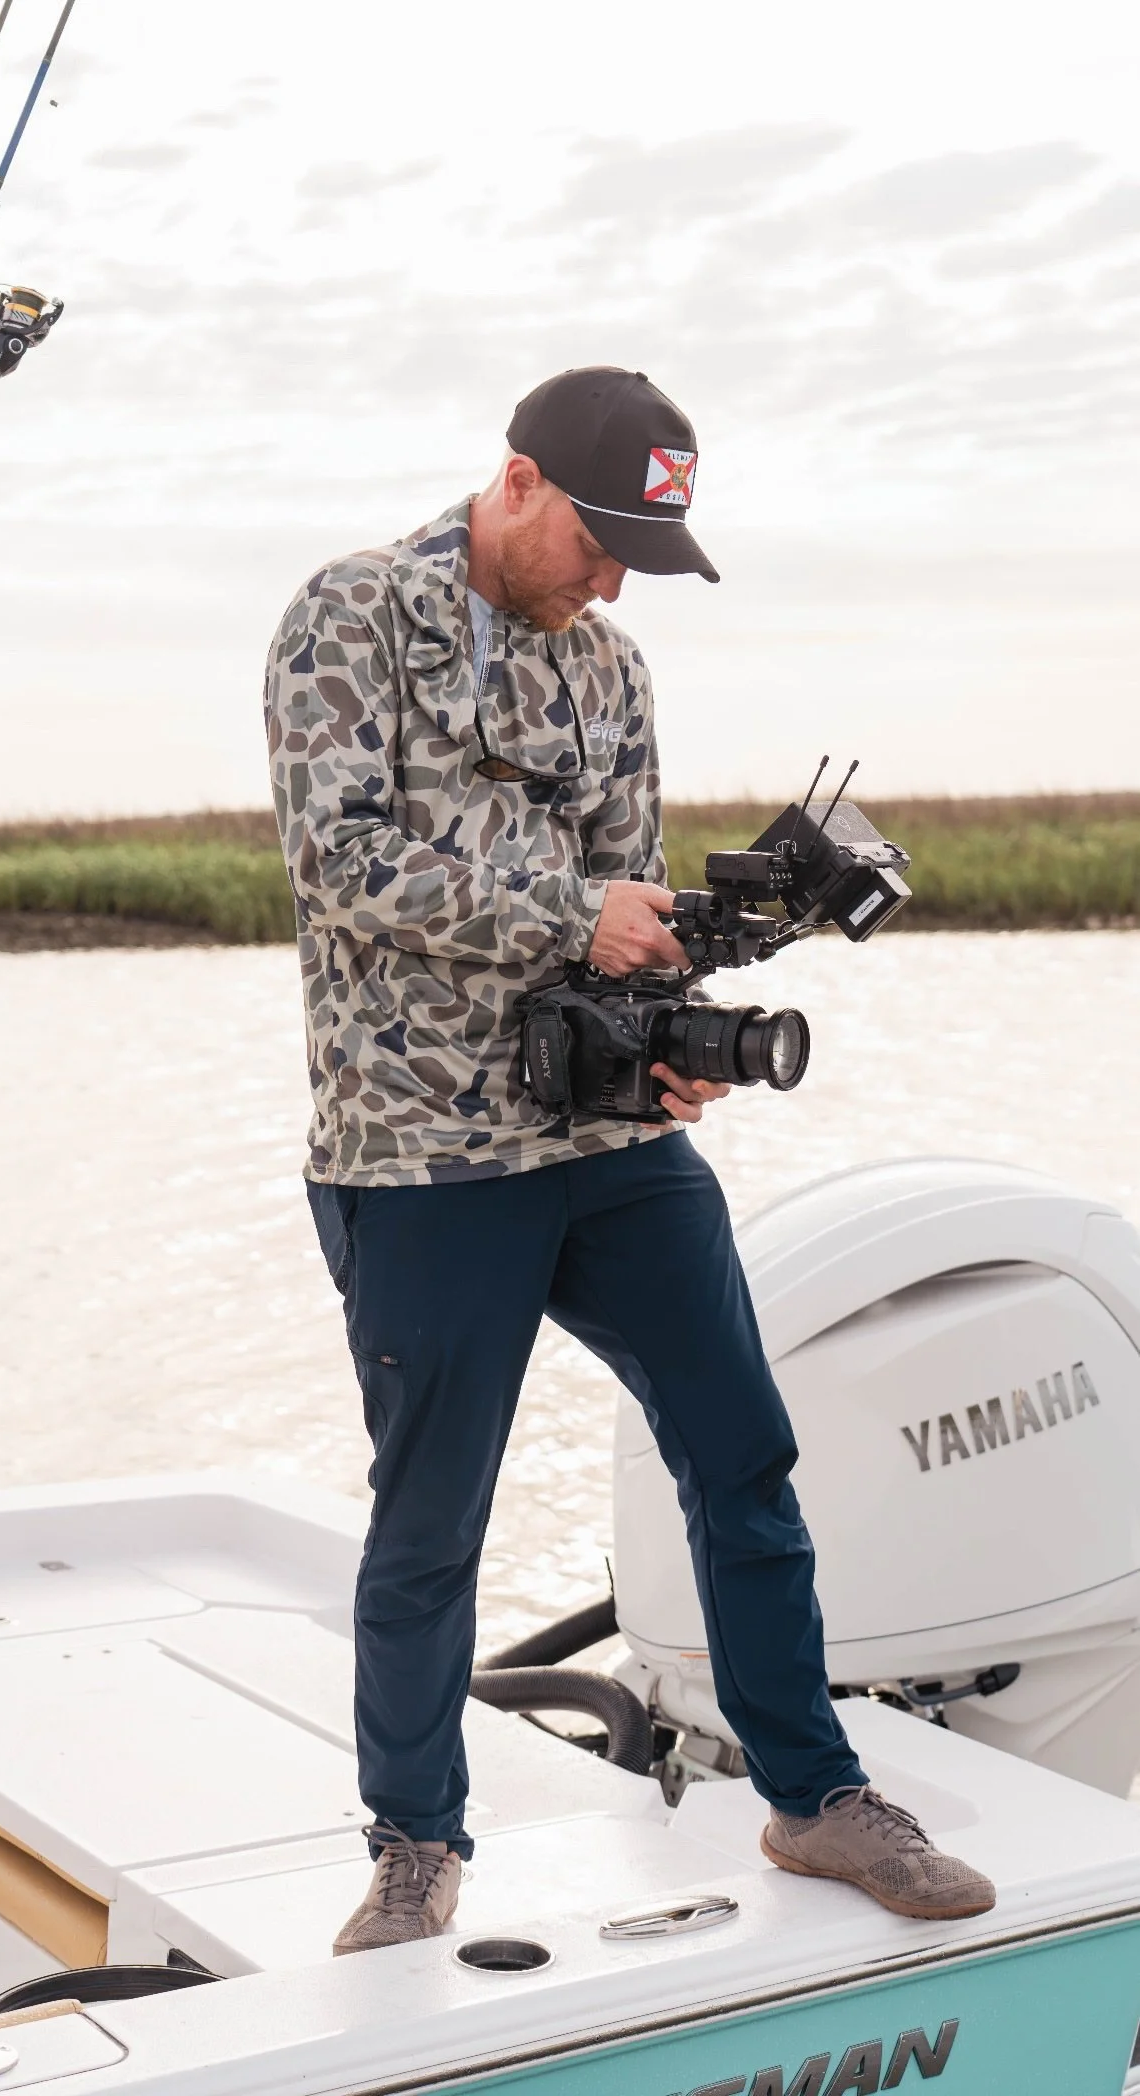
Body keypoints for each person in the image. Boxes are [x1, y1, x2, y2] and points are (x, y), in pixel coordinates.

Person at [265, 366, 995, 1954]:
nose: (607, 581)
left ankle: (813, 1795)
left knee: (741, 1454)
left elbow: (627, 902)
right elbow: (340, 864)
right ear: (516, 481)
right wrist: (563, 919)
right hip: (421, 1159)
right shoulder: (351, 615)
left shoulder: (611, 669)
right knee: (431, 1520)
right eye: (595, 542)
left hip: (606, 1145)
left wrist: (668, 1040)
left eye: (635, 558)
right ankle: (414, 1847)